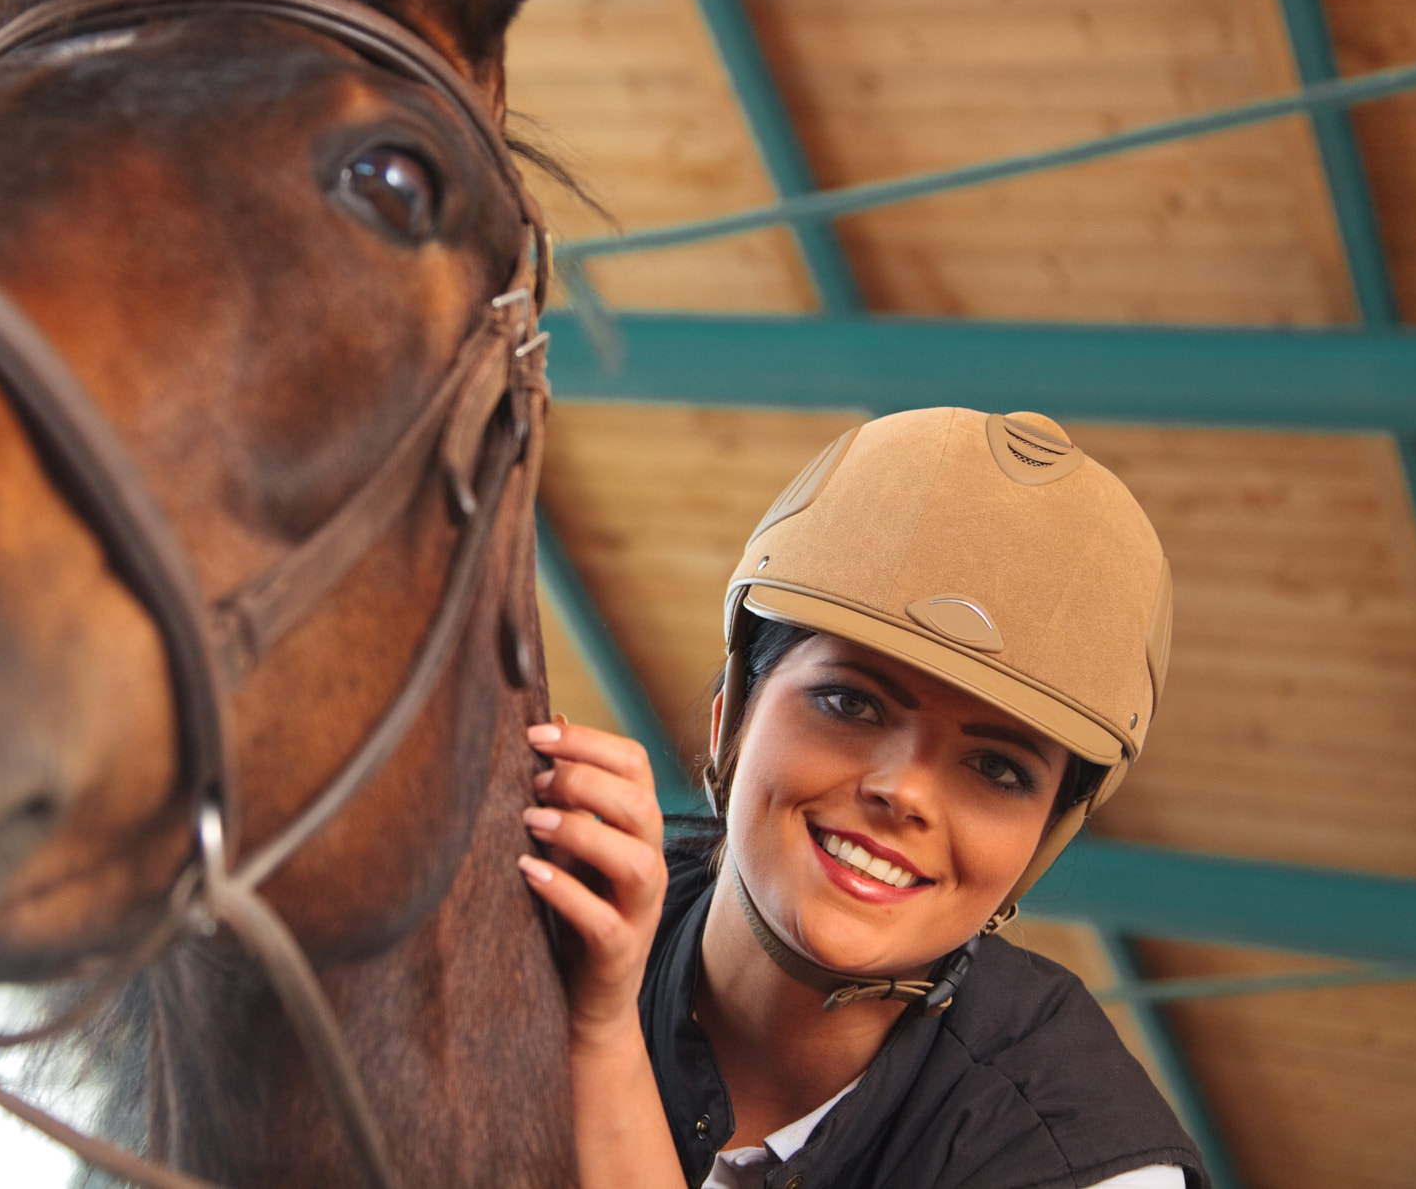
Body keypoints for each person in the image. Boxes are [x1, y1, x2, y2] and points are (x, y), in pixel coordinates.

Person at [517, 407, 1206, 1189]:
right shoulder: (541, 911)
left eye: (997, 768)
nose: (904, 790)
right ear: (731, 717)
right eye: (851, 703)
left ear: (1039, 845)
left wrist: (599, 1034)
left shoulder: (1084, 1164)